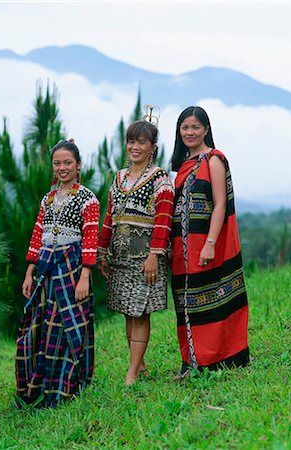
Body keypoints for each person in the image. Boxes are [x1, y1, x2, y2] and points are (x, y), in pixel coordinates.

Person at [15, 139, 100, 408]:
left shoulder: (88, 199)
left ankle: (67, 385)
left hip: (72, 266)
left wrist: (85, 276)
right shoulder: (48, 198)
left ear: (78, 165)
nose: (62, 168)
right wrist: (30, 271)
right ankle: (42, 385)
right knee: (43, 324)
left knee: (67, 323)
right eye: (57, 163)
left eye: (67, 163)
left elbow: (89, 239)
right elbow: (37, 234)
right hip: (47, 268)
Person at [170, 106, 249, 380]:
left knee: (213, 298)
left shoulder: (213, 159)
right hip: (181, 248)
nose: (190, 132)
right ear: (179, 132)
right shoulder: (182, 165)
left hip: (204, 243)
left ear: (206, 129)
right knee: (187, 303)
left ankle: (217, 359)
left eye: (195, 127)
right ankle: (191, 360)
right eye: (185, 127)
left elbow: (219, 204)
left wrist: (211, 243)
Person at [98, 111, 174, 386]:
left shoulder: (160, 180)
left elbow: (164, 220)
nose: (135, 147)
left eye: (142, 142)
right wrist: (102, 252)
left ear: (153, 147)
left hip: (145, 256)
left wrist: (155, 255)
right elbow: (109, 217)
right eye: (131, 141)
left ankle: (131, 373)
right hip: (120, 255)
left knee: (140, 311)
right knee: (128, 311)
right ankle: (138, 365)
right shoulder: (118, 178)